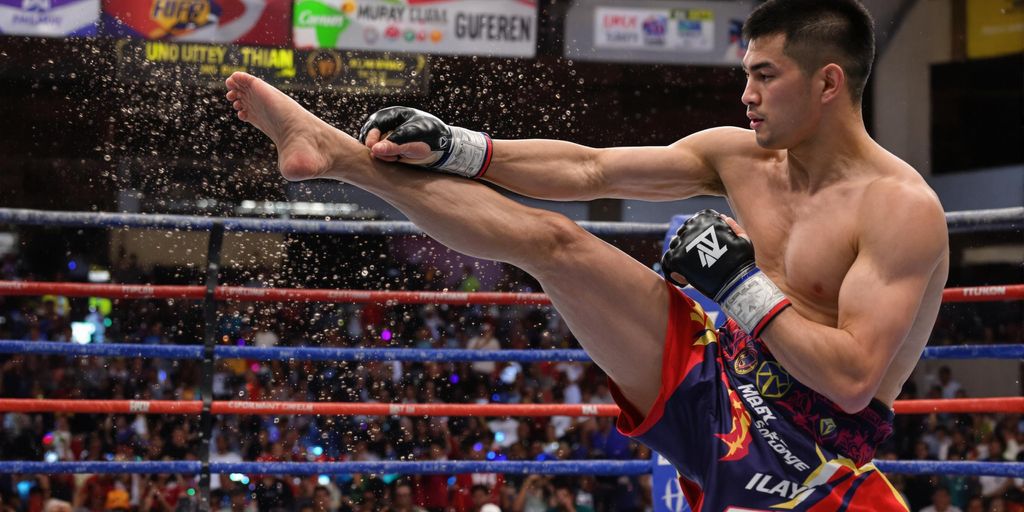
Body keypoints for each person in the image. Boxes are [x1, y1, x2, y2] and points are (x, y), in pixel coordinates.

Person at [223, 0, 949, 508]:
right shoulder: (740, 157)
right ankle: (340, 156)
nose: (746, 93)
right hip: (716, 375)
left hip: (809, 456)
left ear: (827, 82)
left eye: (766, 75)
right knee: (555, 242)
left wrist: (738, 285)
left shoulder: (898, 208)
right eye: (747, 72)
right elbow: (590, 171)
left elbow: (853, 379)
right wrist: (459, 147)